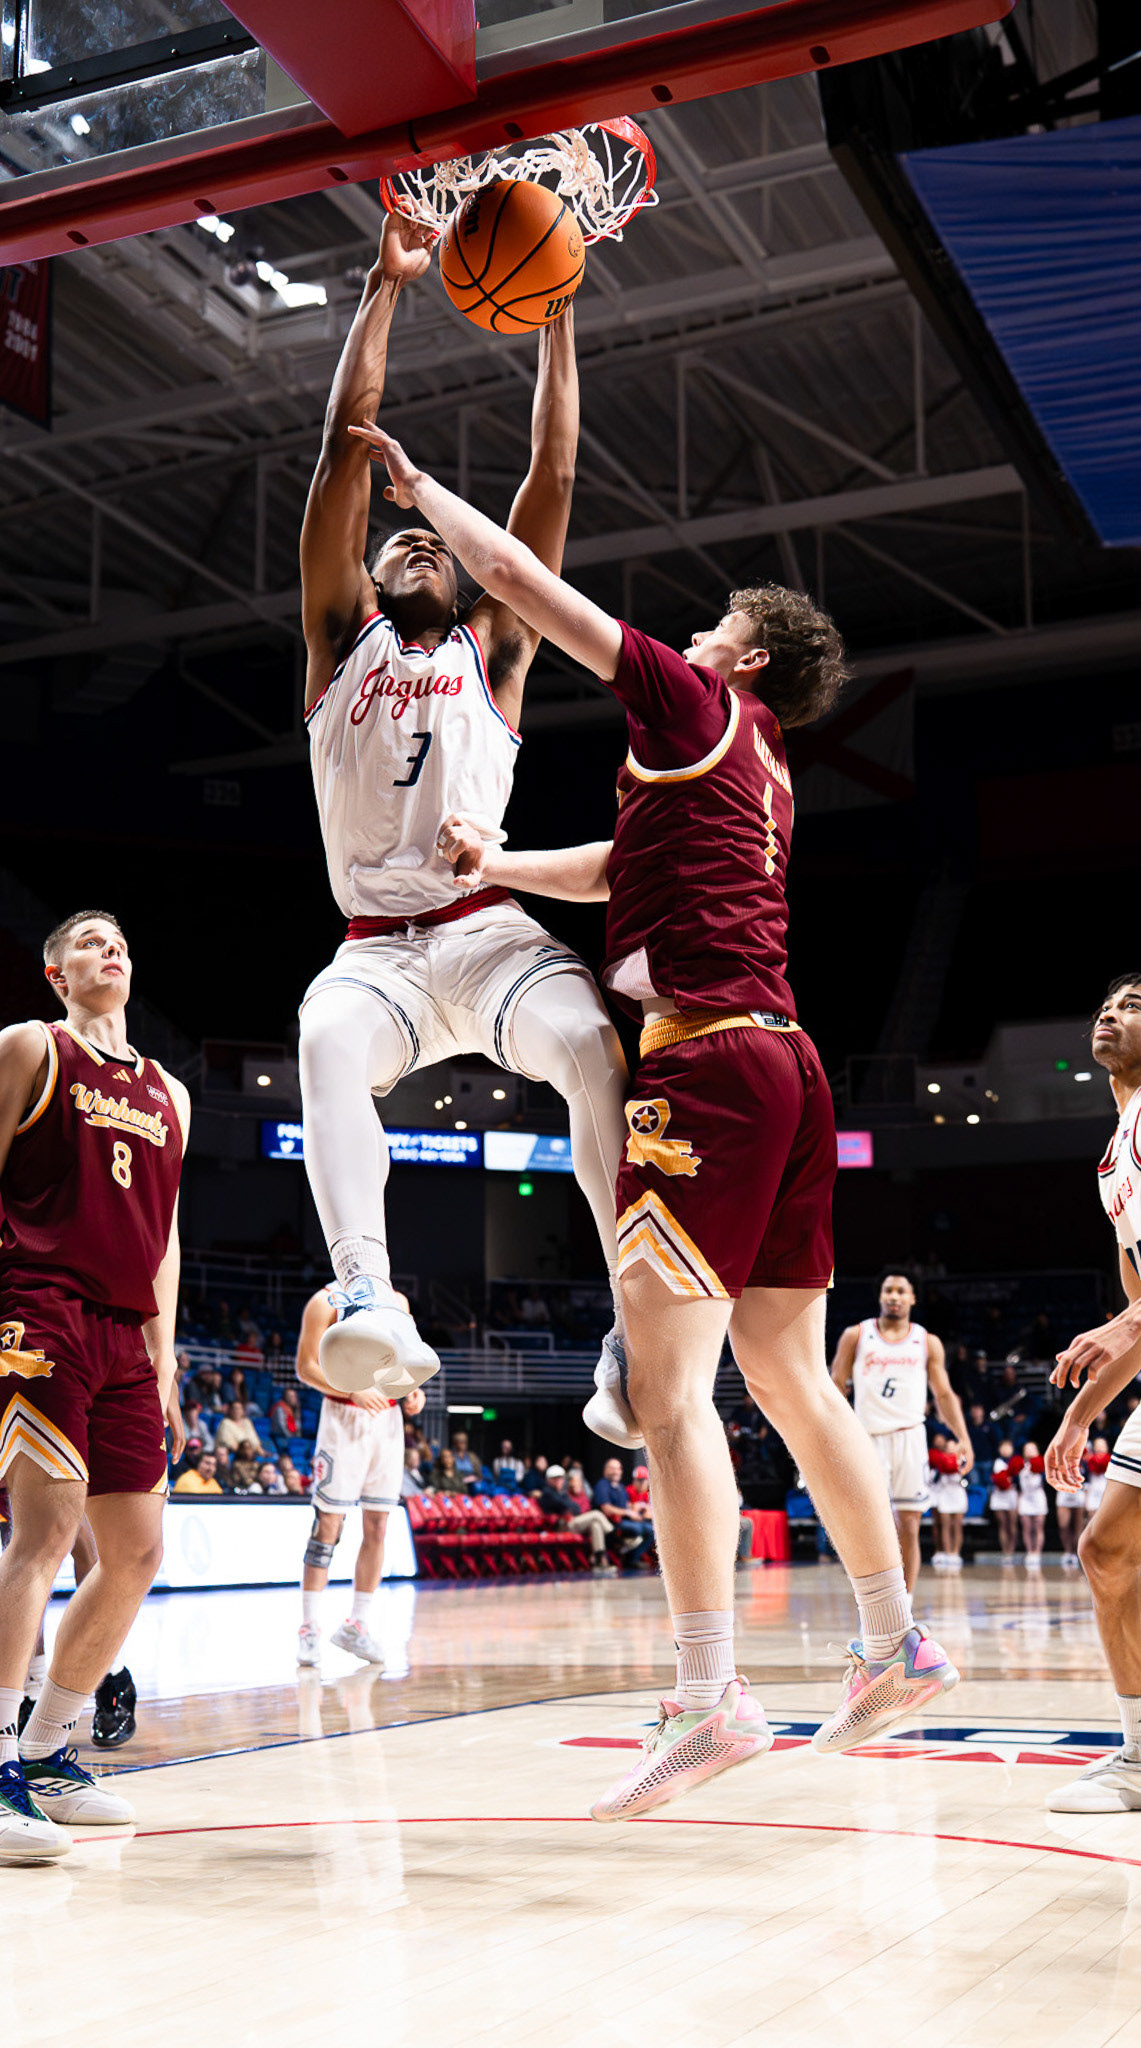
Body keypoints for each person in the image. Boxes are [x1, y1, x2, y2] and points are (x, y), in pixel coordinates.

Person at [352, 412, 960, 1820]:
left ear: (741, 657)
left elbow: (520, 582)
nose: (694, 632)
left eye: (716, 624)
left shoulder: (689, 701)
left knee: (669, 1394)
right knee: (788, 1375)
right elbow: (621, 869)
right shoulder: (763, 759)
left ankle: (707, 1694)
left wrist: (422, 487)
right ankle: (893, 1638)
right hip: (789, 1065)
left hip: (706, 1070)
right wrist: (498, 862)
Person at [296, 213, 631, 1444]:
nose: (423, 542)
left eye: (440, 542)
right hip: (374, 948)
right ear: (375, 577)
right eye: (405, 539)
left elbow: (553, 474)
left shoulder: (499, 646)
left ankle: (631, 1320)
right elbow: (342, 445)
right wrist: (383, 286)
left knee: (591, 1044)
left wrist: (559, 318)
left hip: (487, 931)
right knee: (321, 1036)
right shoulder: (337, 638)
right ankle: (369, 1295)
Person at [0, 910, 188, 1864]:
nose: (108, 948)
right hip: (40, 1309)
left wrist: (164, 1353)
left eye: (119, 939)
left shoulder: (171, 1094)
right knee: (42, 1534)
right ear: (56, 973)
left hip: (125, 1334)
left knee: (137, 1551)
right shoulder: (29, 1048)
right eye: (87, 941)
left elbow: (165, 1238)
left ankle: (44, 1755)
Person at [1044, 973, 1141, 1812]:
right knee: (1105, 1552)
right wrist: (1079, 1416)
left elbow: (1133, 1316)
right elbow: (1136, 1307)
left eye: (1134, 1006)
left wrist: (1128, 1322)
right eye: (1106, 1005)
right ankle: (1139, 1758)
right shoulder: (1115, 1155)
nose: (1110, 1014)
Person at [294, 1285, 425, 1667]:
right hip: (341, 1417)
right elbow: (305, 1367)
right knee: (328, 1526)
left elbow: (407, 1357)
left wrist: (414, 1390)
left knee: (379, 1526)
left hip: (387, 1418)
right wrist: (351, 1391)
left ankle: (358, 1625)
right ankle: (309, 1627)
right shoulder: (324, 1301)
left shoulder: (397, 1300)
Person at [830, 1270, 973, 1595]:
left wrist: (963, 1437)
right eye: (888, 1290)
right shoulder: (856, 1335)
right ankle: (873, 1600)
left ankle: (904, 1601)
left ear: (912, 1298)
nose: (894, 1296)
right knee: (871, 1526)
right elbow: (835, 1385)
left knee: (909, 1523)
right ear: (880, 1296)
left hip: (910, 1437)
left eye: (900, 1291)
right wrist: (837, 1434)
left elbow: (943, 1394)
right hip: (867, 1438)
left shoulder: (926, 1341)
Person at [538, 1464, 616, 1575]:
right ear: (548, 1480)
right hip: (559, 1526)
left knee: (596, 1524)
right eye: (555, 1478)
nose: (558, 1481)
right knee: (596, 1514)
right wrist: (567, 1507)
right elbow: (563, 1504)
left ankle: (599, 1563)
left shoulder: (561, 1493)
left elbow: (576, 1509)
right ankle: (613, 1535)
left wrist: (567, 1507)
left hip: (570, 1522)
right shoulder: (547, 1493)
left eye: (560, 1478)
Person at [593, 1456, 655, 1569]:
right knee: (639, 1528)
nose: (616, 1471)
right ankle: (625, 1551)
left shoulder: (620, 1487)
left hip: (624, 1521)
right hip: (610, 1524)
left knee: (651, 1530)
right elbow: (606, 1508)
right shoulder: (603, 1485)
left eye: (618, 1468)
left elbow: (626, 1505)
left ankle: (632, 1558)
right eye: (612, 1468)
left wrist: (635, 1509)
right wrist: (628, 1512)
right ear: (606, 1470)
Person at [927, 1434, 967, 1571]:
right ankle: (946, 1552)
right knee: (945, 1525)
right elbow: (933, 1480)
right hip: (944, 1495)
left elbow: (967, 1477)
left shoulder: (962, 1460)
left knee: (957, 1525)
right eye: (948, 1447)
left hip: (958, 1494)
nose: (951, 1449)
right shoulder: (939, 1461)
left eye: (953, 1447)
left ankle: (955, 1553)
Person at [1017, 1442, 1048, 1566]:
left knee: (1038, 1527)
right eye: (1027, 1449)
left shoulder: (1043, 1464)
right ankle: (1029, 1552)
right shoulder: (1019, 1465)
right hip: (1025, 1497)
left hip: (1038, 1497)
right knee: (1027, 1527)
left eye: (1032, 1449)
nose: (1030, 1451)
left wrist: (1041, 1470)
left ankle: (1037, 1552)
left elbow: (1047, 1480)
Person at [990, 1441, 1022, 1558]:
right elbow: (991, 1478)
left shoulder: (1016, 1462)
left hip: (1011, 1494)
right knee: (1003, 1524)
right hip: (999, 1495)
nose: (1005, 1450)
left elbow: (1020, 1480)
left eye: (1008, 1447)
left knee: (1012, 1524)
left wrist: (1012, 1481)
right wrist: (1001, 1481)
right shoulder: (996, 1462)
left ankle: (1012, 1550)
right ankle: (1005, 1551)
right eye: (1003, 1447)